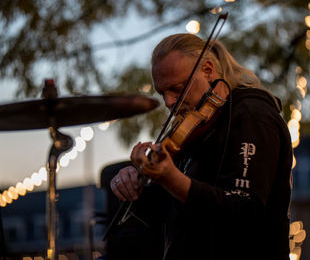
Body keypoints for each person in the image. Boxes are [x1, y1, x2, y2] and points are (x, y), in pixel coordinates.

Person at [110, 33, 293, 260]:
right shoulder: (194, 130)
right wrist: (136, 185)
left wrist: (171, 178)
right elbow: (163, 214)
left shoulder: (251, 115)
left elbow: (246, 212)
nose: (168, 102)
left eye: (177, 88)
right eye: (162, 93)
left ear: (207, 71)